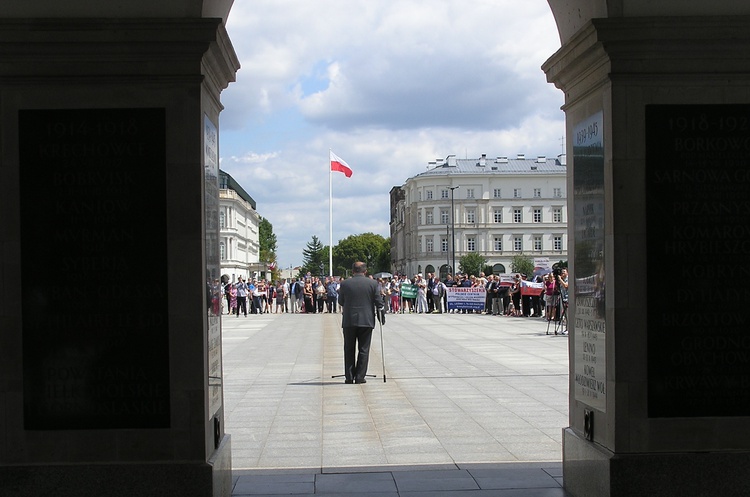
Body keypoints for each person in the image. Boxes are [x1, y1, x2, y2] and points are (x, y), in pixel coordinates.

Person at [337, 261, 384, 384]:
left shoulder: (345, 284)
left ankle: (349, 376)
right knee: (364, 349)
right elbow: (379, 302)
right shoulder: (373, 283)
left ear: (352, 271)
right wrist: (381, 315)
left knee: (349, 348)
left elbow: (341, 301)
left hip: (349, 320)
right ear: (365, 271)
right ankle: (360, 376)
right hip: (366, 320)